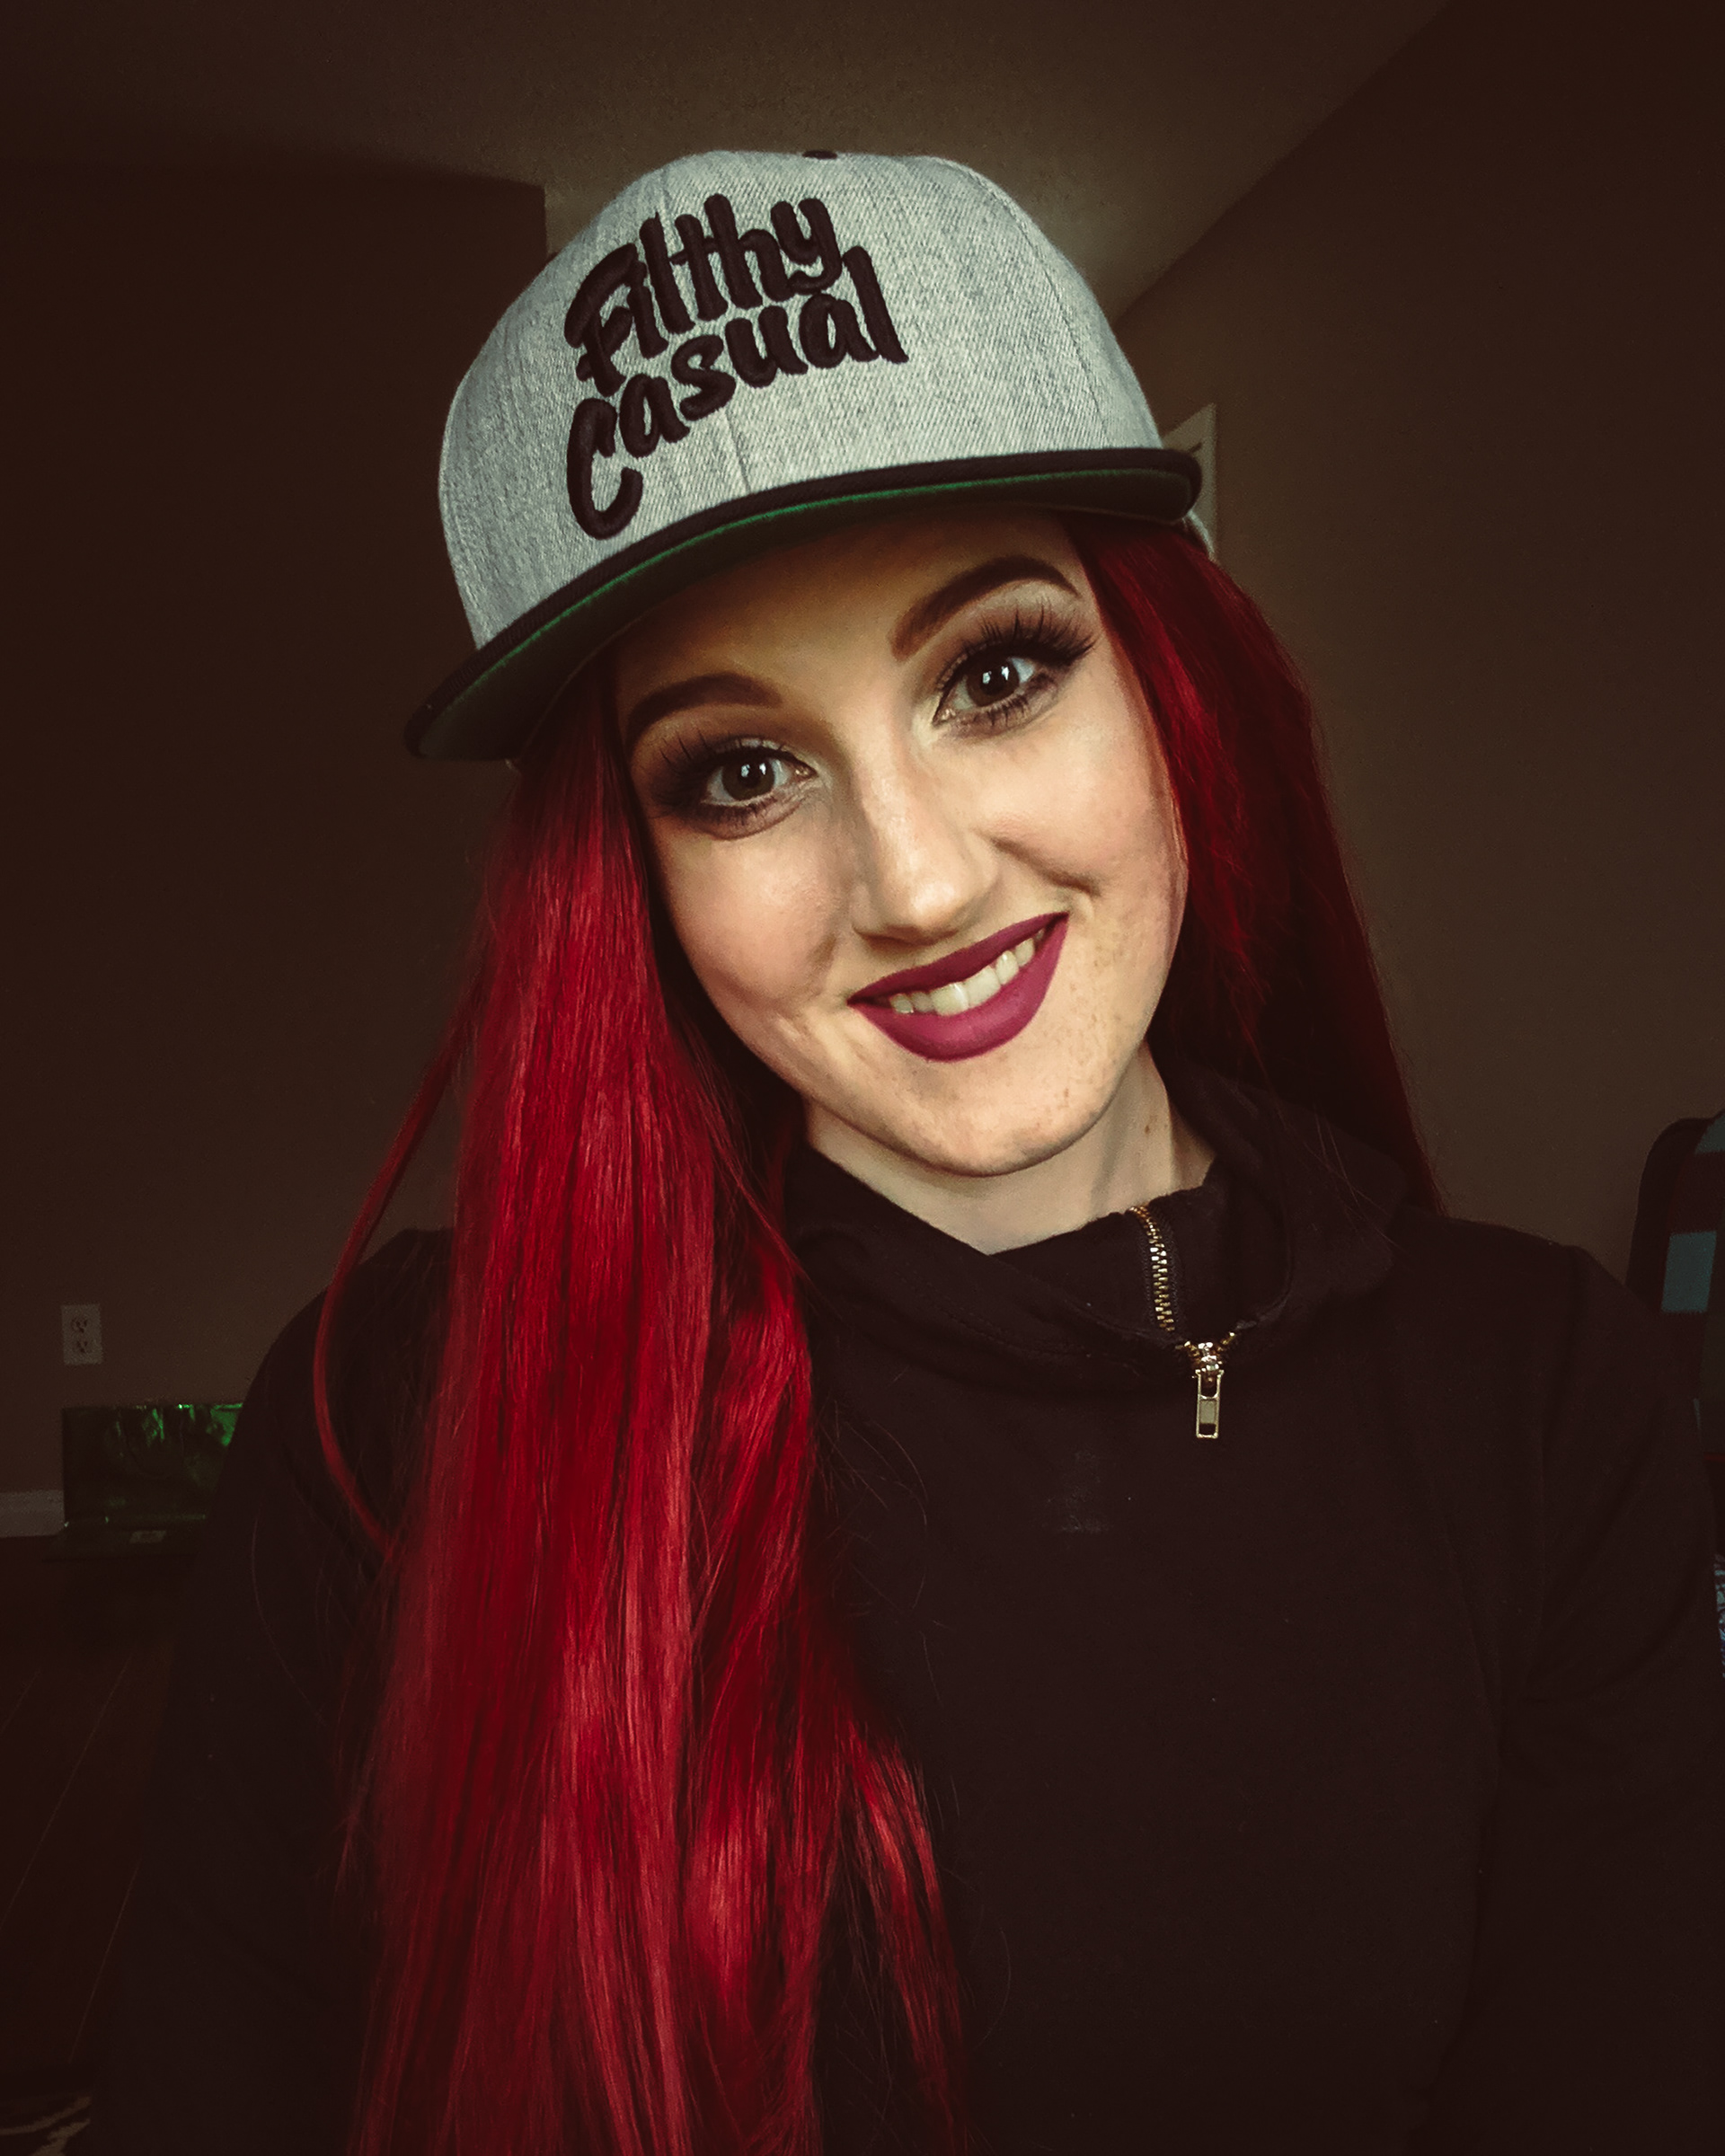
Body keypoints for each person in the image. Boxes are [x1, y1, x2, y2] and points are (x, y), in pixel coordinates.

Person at [93, 150, 1724, 2156]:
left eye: (997, 671)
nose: (923, 882)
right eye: (741, 772)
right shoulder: (395, 1427)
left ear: (1173, 687)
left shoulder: (1542, 1403)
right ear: (631, 875)